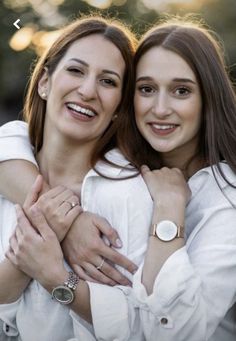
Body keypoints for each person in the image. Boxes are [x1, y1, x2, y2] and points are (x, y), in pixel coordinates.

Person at [1, 17, 236, 341]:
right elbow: (12, 138)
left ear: (208, 98)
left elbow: (171, 332)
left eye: (182, 90)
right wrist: (69, 222)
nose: (161, 108)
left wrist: (169, 208)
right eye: (146, 89)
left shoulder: (224, 203)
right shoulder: (120, 165)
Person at [0, 15, 156, 341]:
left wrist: (57, 276)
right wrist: (61, 225)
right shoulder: (11, 160)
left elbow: (144, 325)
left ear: (119, 107)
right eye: (75, 70)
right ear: (44, 82)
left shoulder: (129, 194)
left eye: (108, 81)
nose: (87, 91)